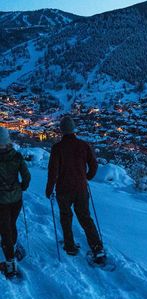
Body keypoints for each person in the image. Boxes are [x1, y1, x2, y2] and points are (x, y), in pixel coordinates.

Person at [45, 115, 106, 263]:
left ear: (61, 130)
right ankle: (97, 249)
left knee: (66, 217)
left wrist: (49, 189)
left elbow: (53, 171)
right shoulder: (84, 145)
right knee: (85, 217)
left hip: (63, 189)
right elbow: (94, 165)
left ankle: (70, 246)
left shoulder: (57, 148)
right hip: (80, 188)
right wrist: (87, 177)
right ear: (73, 129)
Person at [0, 127, 31, 278]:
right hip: (16, 199)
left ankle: (10, 264)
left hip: (1, 201)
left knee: (4, 229)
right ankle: (13, 247)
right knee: (11, 224)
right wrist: (21, 188)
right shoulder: (17, 156)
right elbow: (27, 177)